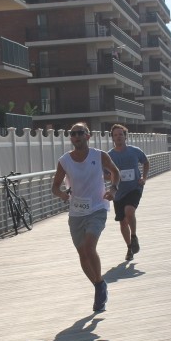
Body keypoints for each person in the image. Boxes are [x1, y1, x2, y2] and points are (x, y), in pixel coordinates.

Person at [52, 122, 120, 312]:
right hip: (76, 212)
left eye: (80, 133)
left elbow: (115, 172)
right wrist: (62, 194)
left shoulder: (99, 155)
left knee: (90, 248)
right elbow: (55, 187)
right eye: (73, 134)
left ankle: (98, 288)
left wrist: (113, 190)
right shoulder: (64, 161)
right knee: (82, 254)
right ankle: (99, 284)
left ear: (88, 136)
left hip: (97, 208)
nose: (76, 136)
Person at [107, 124, 149, 261]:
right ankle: (130, 247)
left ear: (125, 136)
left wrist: (144, 178)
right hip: (118, 192)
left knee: (129, 211)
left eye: (121, 134)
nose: (118, 137)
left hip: (134, 188)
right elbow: (104, 174)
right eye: (115, 135)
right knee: (123, 222)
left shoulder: (134, 151)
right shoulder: (109, 156)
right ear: (112, 138)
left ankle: (134, 235)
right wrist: (114, 176)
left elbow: (146, 162)